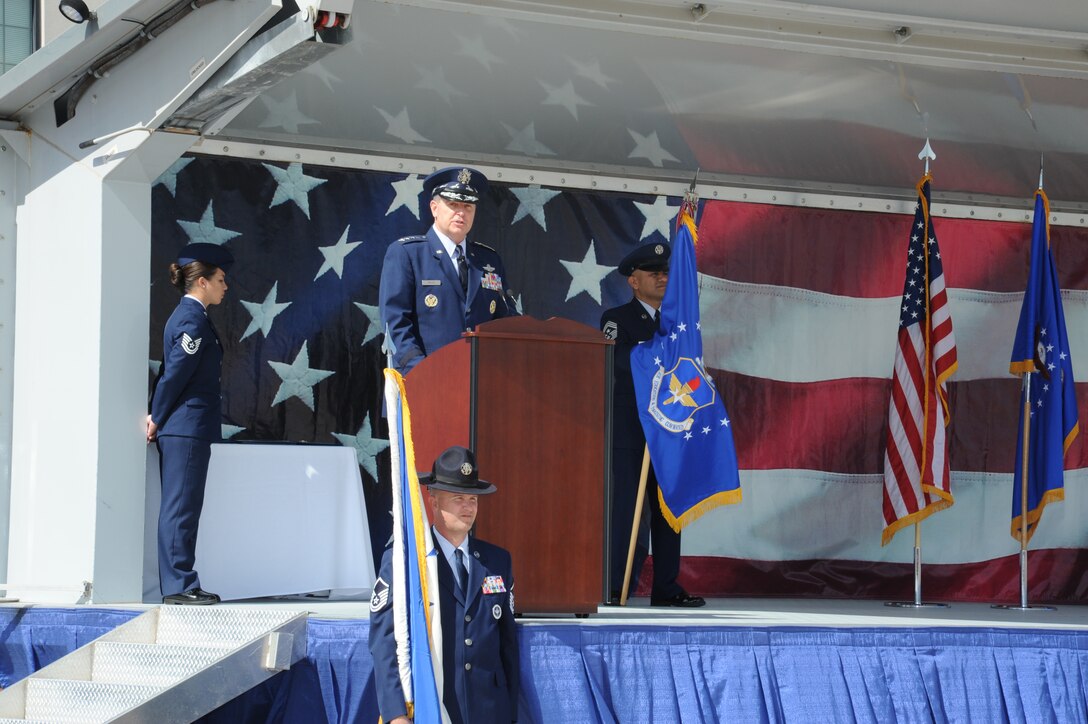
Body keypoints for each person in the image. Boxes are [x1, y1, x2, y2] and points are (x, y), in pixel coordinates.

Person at [369, 446, 519, 724]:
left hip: (489, 712)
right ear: (434, 502)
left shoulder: (497, 561)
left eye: (473, 498)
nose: (468, 506)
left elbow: (508, 647)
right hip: (433, 708)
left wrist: (510, 713)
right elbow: (384, 641)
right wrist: (396, 715)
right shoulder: (407, 562)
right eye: (458, 498)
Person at [601, 242, 705, 608]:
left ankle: (666, 587)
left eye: (665, 272)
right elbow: (619, 364)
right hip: (632, 432)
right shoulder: (617, 319)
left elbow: (690, 371)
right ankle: (615, 586)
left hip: (670, 431)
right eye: (653, 273)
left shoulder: (679, 323)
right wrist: (662, 354)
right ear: (633, 281)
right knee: (627, 512)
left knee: (669, 511)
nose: (662, 277)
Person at [147, 242, 233, 606]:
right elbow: (175, 375)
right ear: (201, 282)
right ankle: (178, 584)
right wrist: (158, 416)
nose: (225, 286)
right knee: (180, 508)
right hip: (184, 426)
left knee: (185, 508)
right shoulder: (190, 320)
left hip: (189, 426)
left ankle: (183, 580)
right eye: (220, 279)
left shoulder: (194, 318)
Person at [379, 166, 517, 374]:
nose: (461, 213)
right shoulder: (407, 254)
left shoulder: (489, 260)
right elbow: (395, 324)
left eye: (468, 207)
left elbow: (505, 321)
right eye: (453, 204)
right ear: (434, 208)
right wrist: (422, 370)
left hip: (479, 382)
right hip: (423, 380)